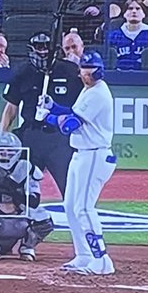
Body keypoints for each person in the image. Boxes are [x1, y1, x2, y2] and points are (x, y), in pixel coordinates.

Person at [36, 52, 116, 275]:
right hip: (82, 154)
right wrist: (53, 106)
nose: (87, 76)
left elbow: (70, 124)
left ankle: (101, 260)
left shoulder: (98, 93)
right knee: (70, 206)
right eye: (85, 71)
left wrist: (47, 117)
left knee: (83, 208)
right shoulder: (88, 89)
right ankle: (84, 255)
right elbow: (71, 112)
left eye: (91, 72)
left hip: (94, 155)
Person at [0, 32, 84, 199]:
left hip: (60, 138)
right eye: (38, 47)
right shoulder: (22, 72)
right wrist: (2, 135)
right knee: (16, 186)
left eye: (46, 47)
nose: (43, 51)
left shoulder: (70, 71)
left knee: (72, 189)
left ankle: (77, 221)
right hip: (31, 135)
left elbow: (83, 104)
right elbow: (11, 108)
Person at [0, 131, 55, 261]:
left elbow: (34, 201)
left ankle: (27, 246)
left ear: (17, 152)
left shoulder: (27, 168)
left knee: (43, 218)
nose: (5, 153)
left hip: (21, 218)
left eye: (9, 150)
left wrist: (14, 197)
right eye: (1, 150)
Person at [107, 0, 148, 71]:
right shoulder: (113, 36)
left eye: (138, 8)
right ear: (124, 14)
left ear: (144, 14)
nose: (134, 11)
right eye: (130, 8)